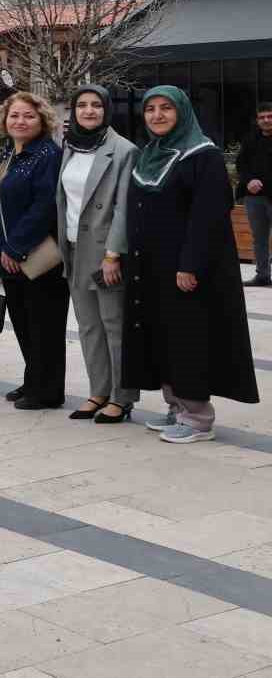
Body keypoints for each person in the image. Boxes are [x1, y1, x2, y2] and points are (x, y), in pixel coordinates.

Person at [124, 87, 259, 442]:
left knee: (187, 339)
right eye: (150, 109)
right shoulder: (149, 154)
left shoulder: (203, 155)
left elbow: (209, 217)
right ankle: (177, 407)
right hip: (151, 266)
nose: (157, 115)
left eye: (166, 108)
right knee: (162, 336)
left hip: (186, 268)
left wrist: (190, 265)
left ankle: (198, 418)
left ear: (182, 111)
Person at [56, 86, 139, 422]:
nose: (89, 111)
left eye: (96, 105)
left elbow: (123, 208)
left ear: (107, 110)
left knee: (113, 325)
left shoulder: (123, 150)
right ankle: (98, 391)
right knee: (88, 326)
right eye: (82, 105)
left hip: (105, 252)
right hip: (74, 248)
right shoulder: (70, 146)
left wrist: (113, 254)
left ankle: (122, 397)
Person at [0, 92, 67, 408]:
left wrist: (17, 246)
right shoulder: (12, 153)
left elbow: (44, 205)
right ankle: (34, 380)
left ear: (43, 120)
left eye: (28, 116)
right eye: (14, 115)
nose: (20, 121)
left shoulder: (48, 154)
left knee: (44, 325)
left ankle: (47, 391)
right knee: (23, 322)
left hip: (38, 256)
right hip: (10, 255)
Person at [237, 102, 272, 287]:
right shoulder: (250, 140)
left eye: (270, 116)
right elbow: (241, 164)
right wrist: (249, 180)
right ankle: (263, 275)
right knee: (259, 238)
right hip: (255, 198)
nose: (266, 120)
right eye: (262, 117)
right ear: (257, 120)